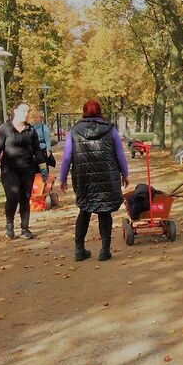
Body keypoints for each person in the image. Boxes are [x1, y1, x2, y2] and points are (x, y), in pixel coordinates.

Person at [59, 100, 129, 262]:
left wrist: (63, 178)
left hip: (83, 176)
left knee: (84, 209)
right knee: (105, 211)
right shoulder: (110, 130)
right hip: (107, 176)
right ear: (100, 112)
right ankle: (105, 251)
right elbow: (120, 154)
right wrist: (125, 174)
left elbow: (67, 157)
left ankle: (79, 250)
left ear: (84, 112)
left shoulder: (74, 131)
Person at [0, 102, 48, 239]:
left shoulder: (31, 130)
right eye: (23, 111)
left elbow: (37, 151)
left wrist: (43, 167)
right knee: (13, 197)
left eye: (28, 111)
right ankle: (9, 225)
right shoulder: (4, 128)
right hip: (9, 169)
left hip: (27, 169)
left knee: (25, 197)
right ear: (15, 111)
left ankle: (25, 228)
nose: (26, 114)